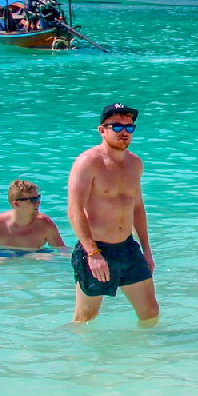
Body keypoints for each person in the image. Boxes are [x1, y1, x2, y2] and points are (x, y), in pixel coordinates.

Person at [68, 103, 157, 325]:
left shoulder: (135, 163)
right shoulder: (88, 162)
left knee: (150, 312)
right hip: (97, 249)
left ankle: (149, 356)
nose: (124, 132)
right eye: (116, 127)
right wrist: (93, 253)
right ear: (102, 130)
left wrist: (146, 250)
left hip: (127, 248)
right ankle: (69, 353)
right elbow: (74, 210)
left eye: (129, 127)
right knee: (86, 318)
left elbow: (137, 207)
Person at [0, 180, 67, 255]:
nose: (38, 203)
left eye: (38, 198)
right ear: (16, 204)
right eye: (33, 200)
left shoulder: (44, 223)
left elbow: (62, 250)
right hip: (6, 258)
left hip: (34, 258)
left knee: (46, 258)